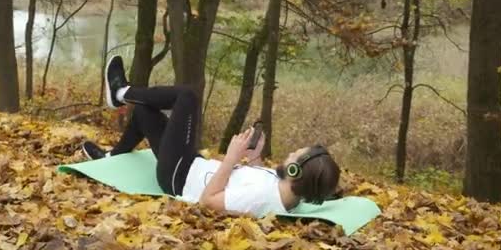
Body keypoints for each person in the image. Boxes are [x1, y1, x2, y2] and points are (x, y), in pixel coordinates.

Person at [81, 56, 341, 217]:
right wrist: (255, 157)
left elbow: (208, 201)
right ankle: (111, 156)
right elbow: (249, 182)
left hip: (179, 178)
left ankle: (120, 93)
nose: (292, 153)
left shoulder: (262, 197)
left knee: (188, 97)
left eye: (297, 155)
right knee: (146, 112)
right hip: (190, 166)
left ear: (296, 170)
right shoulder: (284, 193)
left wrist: (231, 159)